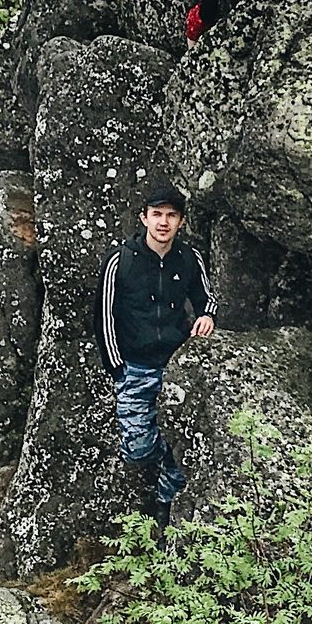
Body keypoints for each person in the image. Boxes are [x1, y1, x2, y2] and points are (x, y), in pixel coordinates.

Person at [96, 180, 216, 523]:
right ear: (144, 218)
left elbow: (207, 298)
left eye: (172, 215)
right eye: (157, 214)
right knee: (138, 448)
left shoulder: (189, 258)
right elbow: (103, 317)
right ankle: (160, 462)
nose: (164, 222)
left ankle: (164, 504)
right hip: (134, 368)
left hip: (177, 367)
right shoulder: (121, 261)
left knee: (184, 447)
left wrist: (207, 315)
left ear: (180, 221)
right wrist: (118, 369)